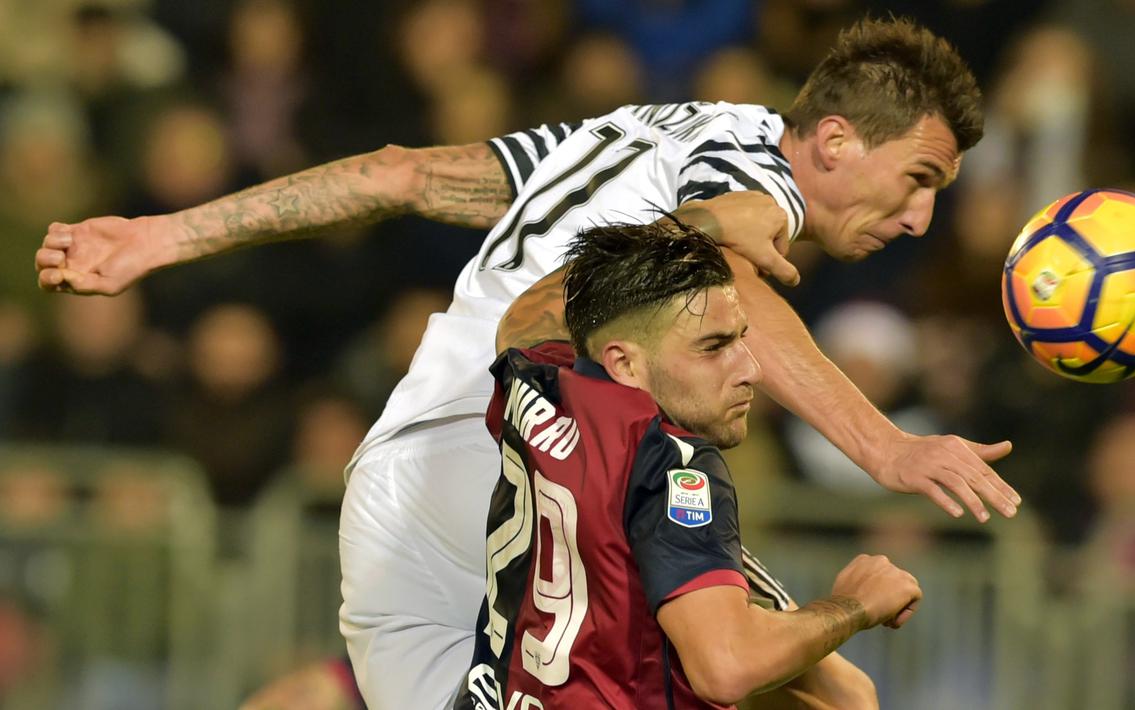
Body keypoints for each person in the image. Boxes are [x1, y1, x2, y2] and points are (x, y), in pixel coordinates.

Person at [35, 18, 1020, 709]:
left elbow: (396, 173)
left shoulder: (623, 133)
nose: (921, 215)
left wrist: (163, 237)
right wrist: (889, 450)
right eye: (919, 178)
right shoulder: (752, 167)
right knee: (828, 689)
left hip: (394, 493)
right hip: (533, 458)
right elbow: (731, 268)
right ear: (837, 142)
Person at [458, 220, 920, 709]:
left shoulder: (534, 380)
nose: (751, 370)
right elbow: (725, 667)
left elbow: (527, 310)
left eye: (741, 339)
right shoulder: (676, 464)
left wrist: (692, 230)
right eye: (713, 347)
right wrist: (853, 605)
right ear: (625, 363)